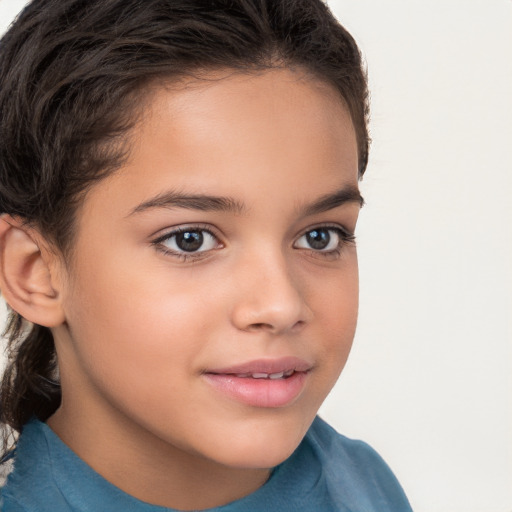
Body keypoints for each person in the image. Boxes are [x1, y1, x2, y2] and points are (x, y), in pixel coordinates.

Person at [0, 0, 413, 510]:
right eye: (189, 239)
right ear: (35, 272)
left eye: (320, 236)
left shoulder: (364, 484)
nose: (280, 305)